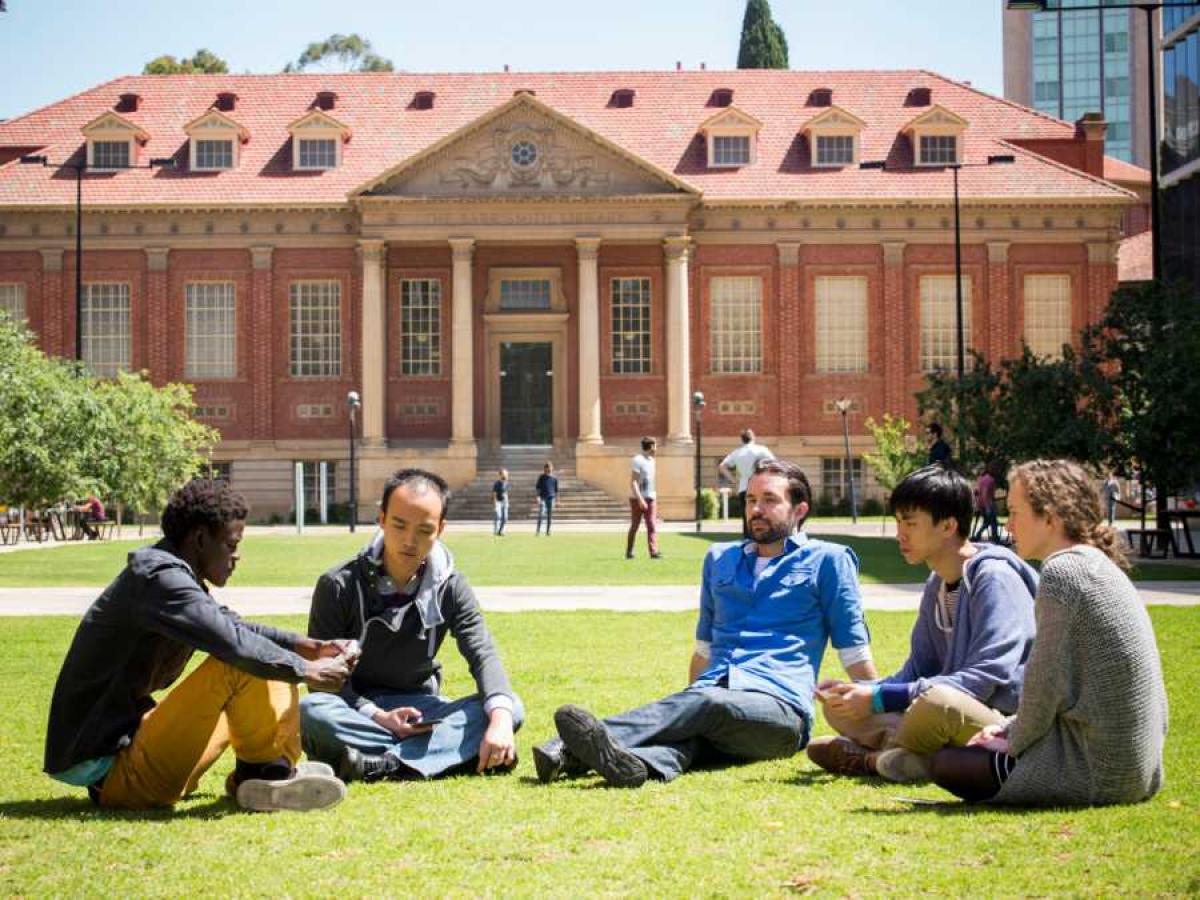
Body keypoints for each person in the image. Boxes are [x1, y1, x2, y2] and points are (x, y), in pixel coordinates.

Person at [533, 459, 877, 788]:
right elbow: (704, 649)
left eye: (770, 500)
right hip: (715, 696)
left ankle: (565, 748)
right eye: (752, 500)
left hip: (780, 709)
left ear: (799, 511)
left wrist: (879, 715)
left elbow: (853, 649)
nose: (756, 509)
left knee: (710, 706)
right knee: (701, 720)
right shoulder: (719, 559)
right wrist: (691, 703)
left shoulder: (829, 560)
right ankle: (638, 766)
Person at [44, 477, 353, 812]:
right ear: (201, 539)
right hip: (119, 777)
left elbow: (235, 628)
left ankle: (265, 776)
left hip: (140, 760)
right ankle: (264, 773)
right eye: (231, 545)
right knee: (239, 661)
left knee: (269, 655)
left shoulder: (172, 576)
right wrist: (308, 671)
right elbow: (233, 643)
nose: (238, 557)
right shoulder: (159, 579)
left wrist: (311, 647)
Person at [930, 459, 1168, 806]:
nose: (1008, 525)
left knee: (948, 763)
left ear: (1050, 517)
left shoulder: (1063, 573)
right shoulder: (1099, 564)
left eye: (1014, 511)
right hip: (1139, 771)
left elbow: (1044, 685)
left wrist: (1011, 740)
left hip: (1097, 773)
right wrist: (1009, 726)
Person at [807, 465, 1037, 783]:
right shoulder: (937, 582)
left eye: (911, 524)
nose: (901, 534)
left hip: (1000, 720)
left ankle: (874, 760)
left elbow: (987, 677)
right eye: (899, 522)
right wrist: (862, 690)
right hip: (943, 710)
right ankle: (909, 758)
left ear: (948, 526)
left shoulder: (994, 578)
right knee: (839, 708)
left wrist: (879, 699)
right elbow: (918, 670)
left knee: (937, 703)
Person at [300, 468, 524, 783]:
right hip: (357, 709)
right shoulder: (338, 584)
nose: (409, 540)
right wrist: (379, 716)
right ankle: (446, 753)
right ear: (381, 519)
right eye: (399, 525)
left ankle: (382, 763)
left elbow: (482, 653)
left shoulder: (452, 586)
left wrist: (500, 722)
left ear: (441, 529)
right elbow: (321, 680)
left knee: (509, 707)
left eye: (424, 530)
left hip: (422, 709)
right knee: (311, 710)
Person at [718, 428, 775, 538]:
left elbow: (722, 466)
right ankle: (762, 537)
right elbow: (774, 463)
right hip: (760, 486)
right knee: (763, 514)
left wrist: (733, 480)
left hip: (743, 486)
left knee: (747, 516)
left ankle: (748, 541)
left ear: (742, 439)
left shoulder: (737, 452)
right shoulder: (761, 450)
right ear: (753, 437)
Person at [627, 436, 661, 559]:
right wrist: (640, 499)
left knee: (651, 525)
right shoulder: (638, 460)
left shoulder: (652, 460)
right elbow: (633, 482)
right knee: (635, 526)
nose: (657, 448)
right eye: (655, 445)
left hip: (651, 497)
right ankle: (629, 551)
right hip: (637, 499)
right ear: (651, 446)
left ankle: (654, 552)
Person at [971, 463, 1001, 543]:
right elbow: (984, 493)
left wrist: (977, 504)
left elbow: (977, 492)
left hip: (981, 505)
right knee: (993, 522)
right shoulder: (990, 480)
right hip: (988, 505)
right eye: (996, 469)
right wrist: (988, 507)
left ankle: (977, 536)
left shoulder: (981, 479)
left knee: (987, 522)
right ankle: (996, 539)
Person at [535, 462, 558, 536]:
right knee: (541, 514)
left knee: (549, 516)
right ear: (545, 469)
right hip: (543, 498)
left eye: (550, 467)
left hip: (551, 498)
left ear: (552, 468)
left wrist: (556, 499)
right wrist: (538, 497)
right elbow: (538, 488)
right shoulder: (541, 477)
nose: (548, 469)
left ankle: (548, 531)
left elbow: (556, 490)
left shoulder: (554, 478)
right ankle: (538, 531)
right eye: (547, 467)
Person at [492, 468, 510, 537]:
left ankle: (501, 531)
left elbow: (506, 493)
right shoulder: (497, 483)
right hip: (498, 502)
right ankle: (496, 531)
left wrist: (507, 502)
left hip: (504, 502)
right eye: (504, 474)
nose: (506, 476)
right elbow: (494, 494)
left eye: (506, 474)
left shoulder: (506, 483)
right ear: (500, 475)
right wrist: (495, 504)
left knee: (505, 518)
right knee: (498, 516)